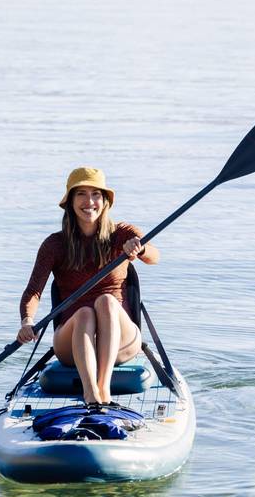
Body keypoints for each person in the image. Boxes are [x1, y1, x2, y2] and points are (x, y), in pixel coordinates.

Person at [17, 167, 159, 405]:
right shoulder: (54, 245)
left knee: (105, 302)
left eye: (95, 194)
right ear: (70, 201)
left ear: (104, 201)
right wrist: (27, 321)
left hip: (122, 340)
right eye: (81, 194)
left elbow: (154, 256)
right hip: (72, 343)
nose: (89, 201)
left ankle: (102, 388)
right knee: (84, 313)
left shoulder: (122, 234)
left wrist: (141, 248)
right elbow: (33, 291)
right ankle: (90, 394)